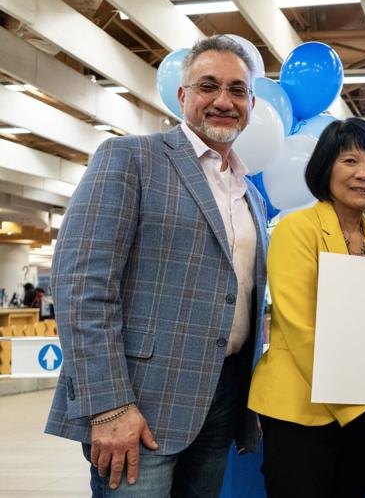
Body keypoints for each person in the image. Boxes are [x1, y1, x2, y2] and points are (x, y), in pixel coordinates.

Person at [45, 35, 269, 497]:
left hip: (220, 399)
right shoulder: (130, 158)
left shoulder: (252, 196)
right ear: (183, 96)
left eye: (237, 89)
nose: (223, 100)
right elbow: (81, 286)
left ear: (251, 102)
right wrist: (108, 406)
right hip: (137, 407)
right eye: (208, 86)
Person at [248, 118, 365, 498]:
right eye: (349, 161)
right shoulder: (296, 230)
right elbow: (302, 331)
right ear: (325, 168)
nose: (363, 174)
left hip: (359, 417)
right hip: (300, 412)